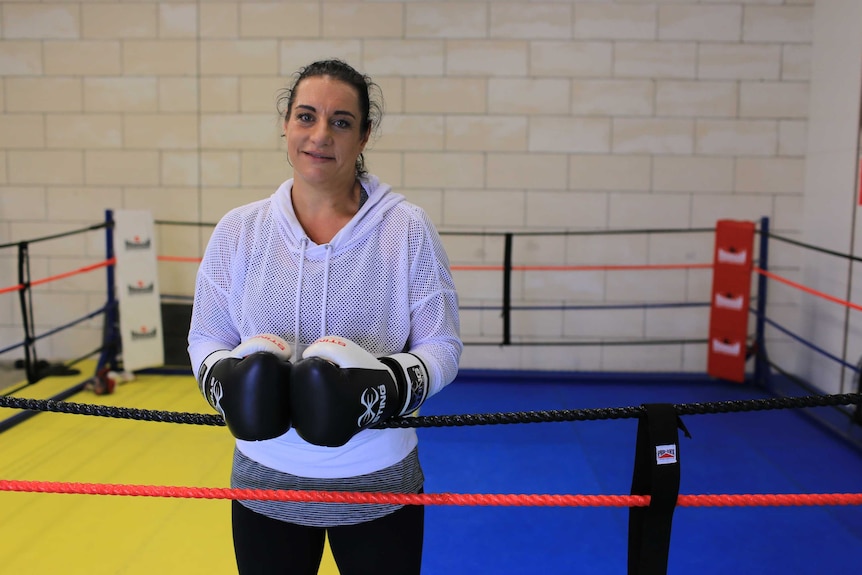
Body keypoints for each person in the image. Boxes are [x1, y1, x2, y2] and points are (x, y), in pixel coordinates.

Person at [187, 59, 462, 575]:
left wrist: (387, 386)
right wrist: (227, 380)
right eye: (306, 117)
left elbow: (442, 345)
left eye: (340, 121)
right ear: (286, 126)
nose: (320, 135)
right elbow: (206, 335)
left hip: (379, 482)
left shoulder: (406, 229)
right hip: (265, 482)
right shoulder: (238, 231)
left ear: (364, 136)